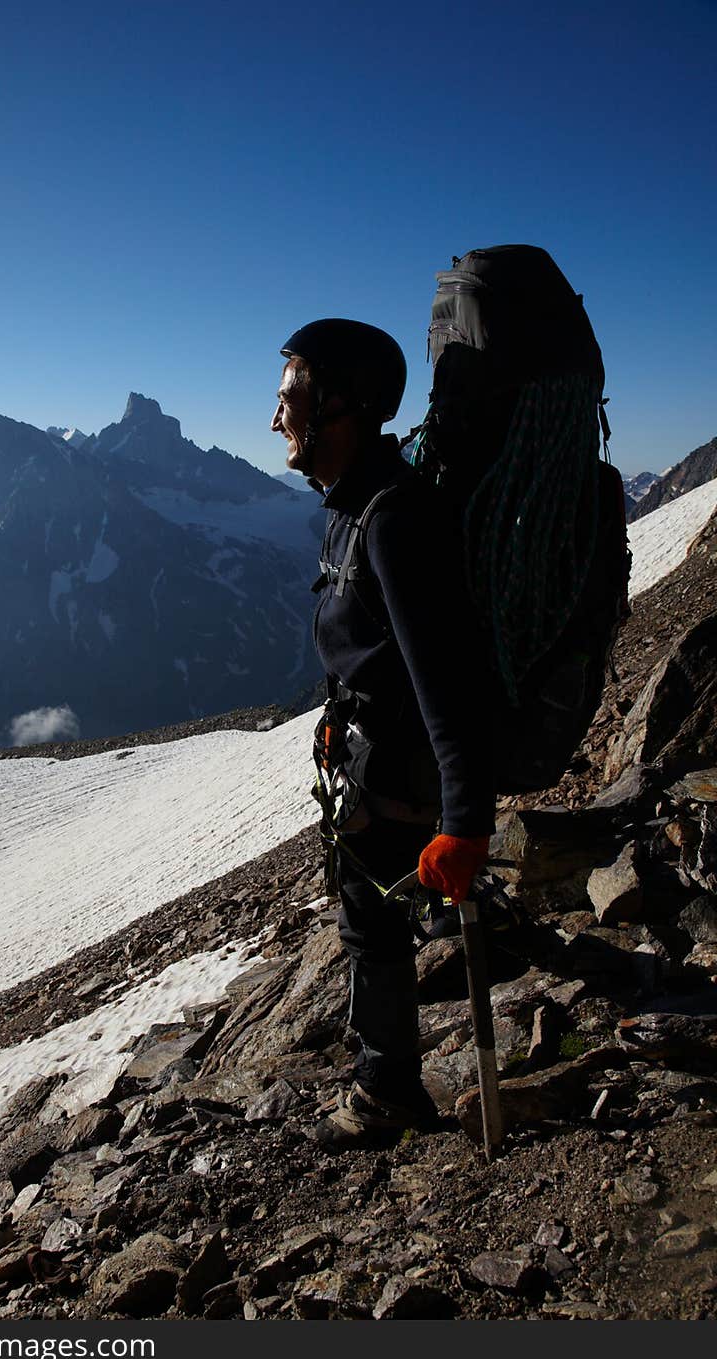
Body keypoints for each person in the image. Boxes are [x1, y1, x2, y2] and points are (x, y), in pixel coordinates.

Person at [270, 318, 496, 1148]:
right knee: (376, 914)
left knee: (370, 922)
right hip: (375, 759)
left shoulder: (394, 521)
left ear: (343, 407)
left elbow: (448, 683)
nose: (276, 418)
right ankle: (388, 1063)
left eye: (289, 396)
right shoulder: (356, 507)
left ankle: (386, 1090)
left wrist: (466, 823)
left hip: (400, 774)